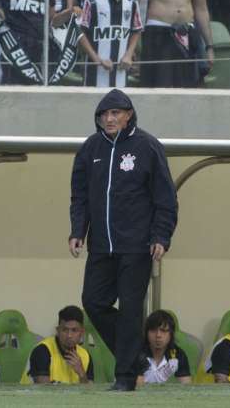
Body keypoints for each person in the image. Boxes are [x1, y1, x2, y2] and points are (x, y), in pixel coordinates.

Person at [69, 89, 178, 391]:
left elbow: (165, 198)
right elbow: (78, 195)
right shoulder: (90, 149)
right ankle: (137, 356)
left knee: (131, 309)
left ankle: (126, 377)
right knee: (93, 301)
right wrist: (78, 230)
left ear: (128, 115)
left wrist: (161, 236)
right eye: (104, 114)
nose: (109, 118)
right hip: (101, 246)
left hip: (137, 246)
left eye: (115, 113)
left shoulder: (147, 146)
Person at [78, 0, 143, 88]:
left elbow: (137, 29)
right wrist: (96, 58)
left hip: (121, 71)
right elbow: (80, 31)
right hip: (95, 73)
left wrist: (128, 54)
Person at [22, 305, 94, 384]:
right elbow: (42, 392)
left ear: (82, 332)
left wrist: (82, 374)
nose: (69, 335)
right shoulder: (42, 351)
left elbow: (89, 393)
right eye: (64, 330)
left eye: (74, 330)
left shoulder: (85, 356)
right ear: (58, 331)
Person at [138, 309, 192, 385]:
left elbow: (186, 386)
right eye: (153, 330)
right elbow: (137, 388)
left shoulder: (179, 355)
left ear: (171, 334)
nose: (158, 335)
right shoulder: (136, 353)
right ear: (146, 333)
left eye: (163, 331)